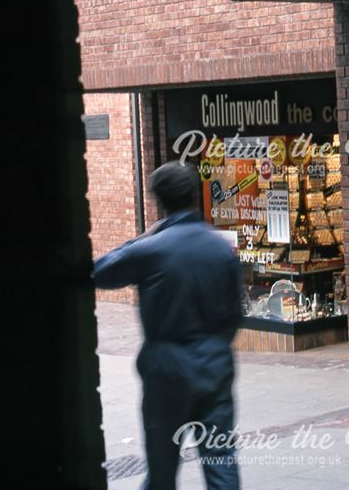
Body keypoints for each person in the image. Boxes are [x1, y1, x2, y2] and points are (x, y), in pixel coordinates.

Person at [93, 162, 244, 490]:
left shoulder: (151, 249)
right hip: (215, 364)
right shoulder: (220, 247)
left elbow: (99, 271)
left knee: (162, 467)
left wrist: (147, 235)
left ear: (159, 200)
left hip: (167, 369)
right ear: (193, 195)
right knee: (221, 463)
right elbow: (236, 313)